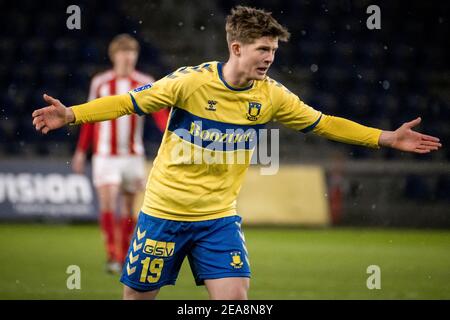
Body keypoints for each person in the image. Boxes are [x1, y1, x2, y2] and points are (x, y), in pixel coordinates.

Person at [32, 6, 441, 299]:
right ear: (237, 47)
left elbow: (324, 122)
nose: (269, 58)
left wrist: (383, 138)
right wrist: (72, 115)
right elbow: (126, 103)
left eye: (274, 51)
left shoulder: (273, 96)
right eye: (262, 49)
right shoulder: (188, 83)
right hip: (163, 214)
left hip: (218, 219)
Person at [71, 34, 169, 273]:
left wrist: (172, 135)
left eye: (132, 53)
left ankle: (125, 254)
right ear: (114, 56)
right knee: (108, 202)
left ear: (135, 56)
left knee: (127, 208)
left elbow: (160, 115)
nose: (128, 58)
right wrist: (81, 152)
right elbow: (89, 117)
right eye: (123, 53)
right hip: (105, 156)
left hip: (133, 156)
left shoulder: (145, 81)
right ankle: (112, 255)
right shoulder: (101, 83)